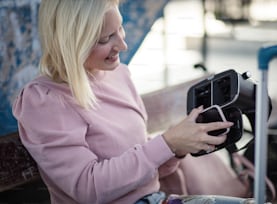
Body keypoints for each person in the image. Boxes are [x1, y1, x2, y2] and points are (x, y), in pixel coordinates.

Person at [12, 0, 255, 203]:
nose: (122, 45)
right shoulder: (44, 101)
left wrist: (178, 148)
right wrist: (167, 143)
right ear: (70, 42)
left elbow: (140, 169)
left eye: (120, 29)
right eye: (105, 39)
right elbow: (87, 188)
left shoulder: (119, 75)